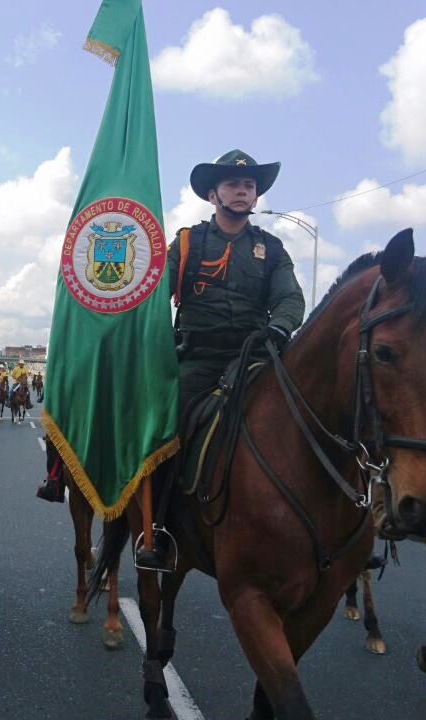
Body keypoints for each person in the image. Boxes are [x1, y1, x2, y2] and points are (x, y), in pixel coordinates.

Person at [137, 149, 306, 571]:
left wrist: (280, 327)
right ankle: (156, 530)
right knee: (166, 430)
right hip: (199, 358)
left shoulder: (272, 248)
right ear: (213, 194)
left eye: (248, 185)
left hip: (256, 356)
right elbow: (157, 291)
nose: (242, 190)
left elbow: (290, 297)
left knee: (312, 420)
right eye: (232, 184)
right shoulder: (187, 241)